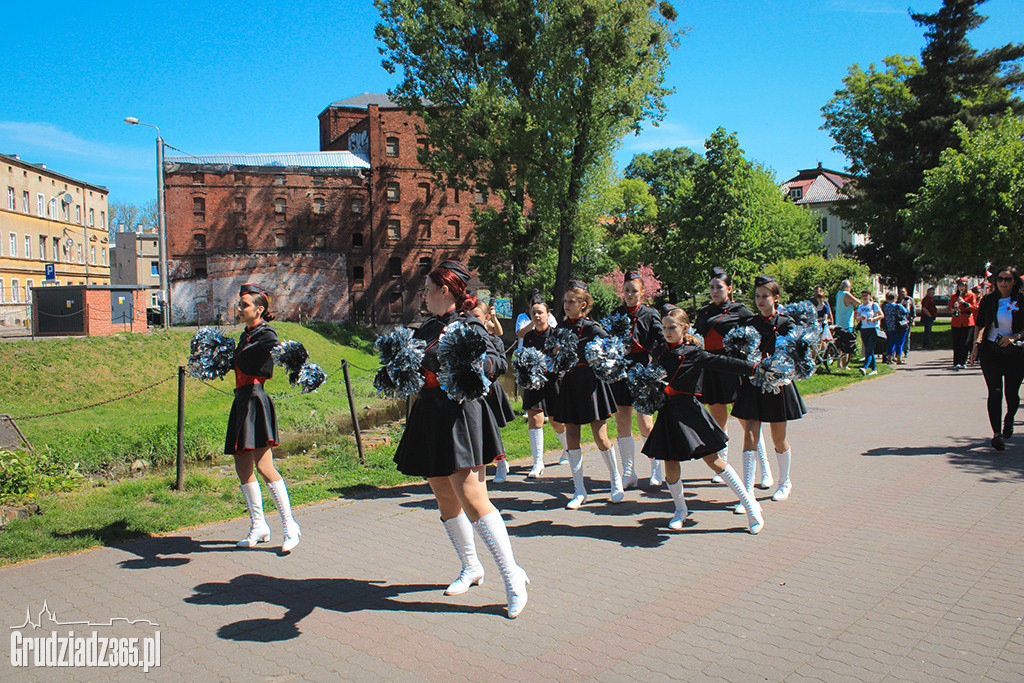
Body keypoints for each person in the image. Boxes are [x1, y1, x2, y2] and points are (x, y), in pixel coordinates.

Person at [392, 261, 528, 618]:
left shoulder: (470, 324)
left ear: (446, 290)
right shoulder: (426, 328)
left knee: (472, 496)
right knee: (443, 495)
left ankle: (512, 577)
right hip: (430, 414)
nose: (422, 294)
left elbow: (498, 359)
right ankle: (471, 566)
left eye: (427, 288)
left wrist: (474, 368)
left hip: (460, 414)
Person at [643, 305, 763, 533]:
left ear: (684, 328)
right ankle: (680, 510)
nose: (667, 332)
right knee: (670, 467)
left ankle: (750, 506)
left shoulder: (694, 352)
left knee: (714, 460)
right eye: (665, 327)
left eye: (672, 327)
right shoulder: (658, 352)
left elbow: (724, 363)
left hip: (690, 413)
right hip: (668, 414)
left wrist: (754, 368)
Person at [228, 283, 301, 553]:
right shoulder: (246, 335)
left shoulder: (266, 334)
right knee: (242, 466)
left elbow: (273, 346)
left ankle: (289, 525)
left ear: (259, 309)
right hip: (241, 400)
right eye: (240, 304)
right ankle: (258, 525)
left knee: (264, 466)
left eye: (244, 305)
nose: (239, 308)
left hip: (256, 400)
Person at [732, 275, 807, 506]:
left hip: (778, 387)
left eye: (765, 296)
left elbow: (797, 357)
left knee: (778, 438)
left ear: (776, 298)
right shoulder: (750, 324)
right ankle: (748, 494)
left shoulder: (786, 324)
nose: (760, 300)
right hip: (754, 385)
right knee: (750, 435)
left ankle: (785, 481)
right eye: (757, 296)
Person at [547, 280, 623, 509]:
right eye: (565, 301)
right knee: (572, 437)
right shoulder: (560, 328)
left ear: (584, 304)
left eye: (572, 302)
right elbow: (552, 353)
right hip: (569, 384)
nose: (567, 305)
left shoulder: (592, 328)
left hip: (590, 385)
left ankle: (616, 481)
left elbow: (613, 350)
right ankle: (579, 490)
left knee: (600, 437)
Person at [694, 268, 772, 490]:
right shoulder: (704, 312)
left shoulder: (740, 311)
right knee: (718, 419)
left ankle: (765, 469)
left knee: (748, 422)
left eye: (719, 287)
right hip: (711, 369)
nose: (714, 291)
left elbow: (760, 332)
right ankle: (723, 465)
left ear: (729, 289)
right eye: (711, 287)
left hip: (734, 369)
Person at [609, 271, 663, 490]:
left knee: (645, 423)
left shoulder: (650, 314)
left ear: (642, 292)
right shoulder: (616, 313)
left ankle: (656, 468)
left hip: (643, 369)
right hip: (621, 371)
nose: (630, 295)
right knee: (622, 422)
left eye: (634, 291)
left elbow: (660, 340)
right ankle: (629, 472)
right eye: (627, 290)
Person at [970, 266, 1024, 451]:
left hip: (1016, 353)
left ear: (1015, 281)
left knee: (1012, 394)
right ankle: (997, 434)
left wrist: (1014, 337)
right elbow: (980, 324)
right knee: (995, 391)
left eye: (1007, 279)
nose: (1003, 282)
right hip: (991, 351)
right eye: (1000, 279)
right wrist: (976, 346)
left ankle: (1009, 419)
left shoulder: (1021, 300)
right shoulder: (989, 300)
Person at [516, 295, 567, 478]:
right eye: (534, 313)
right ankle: (538, 463)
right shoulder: (529, 336)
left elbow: (564, 360)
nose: (537, 316)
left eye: (540, 312)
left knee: (556, 422)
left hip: (553, 382)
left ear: (547, 314)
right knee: (535, 418)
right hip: (533, 383)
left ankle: (568, 448)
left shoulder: (556, 334)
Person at [470, 298, 516, 483]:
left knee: (491, 427)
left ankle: (501, 465)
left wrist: (486, 368)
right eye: (468, 317)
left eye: (476, 317)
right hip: (471, 389)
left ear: (486, 318)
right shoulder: (462, 338)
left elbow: (503, 365)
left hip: (490, 388)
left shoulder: (493, 339)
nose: (471, 322)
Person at [951, 278, 978, 370]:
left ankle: (963, 361)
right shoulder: (954, 296)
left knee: (965, 342)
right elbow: (950, 308)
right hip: (957, 321)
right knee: (956, 342)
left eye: (963, 286)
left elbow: (974, 308)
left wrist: (964, 303)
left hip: (967, 321)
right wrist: (954, 307)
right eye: (960, 286)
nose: (961, 288)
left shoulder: (971, 295)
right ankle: (956, 361)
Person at [834, 281, 861, 370]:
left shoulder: (839, 294)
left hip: (839, 321)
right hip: (847, 322)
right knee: (846, 344)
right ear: (848, 287)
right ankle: (844, 364)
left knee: (839, 344)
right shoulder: (846, 294)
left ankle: (839, 364)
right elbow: (858, 302)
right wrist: (852, 302)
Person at [856, 290, 883, 376]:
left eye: (866, 295)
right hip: (864, 329)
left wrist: (873, 319)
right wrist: (861, 317)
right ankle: (874, 369)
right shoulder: (860, 306)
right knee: (869, 350)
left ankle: (865, 367)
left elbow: (881, 315)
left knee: (869, 349)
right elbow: (857, 317)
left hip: (873, 328)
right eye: (863, 295)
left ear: (870, 296)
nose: (864, 297)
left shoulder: (873, 305)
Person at [881, 292, 909, 365]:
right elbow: (906, 312)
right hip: (899, 327)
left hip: (890, 326)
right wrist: (907, 305)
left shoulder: (885, 307)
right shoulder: (898, 306)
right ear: (895, 298)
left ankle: (889, 358)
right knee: (899, 342)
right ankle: (899, 358)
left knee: (891, 342)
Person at [899, 288, 915, 358]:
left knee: (907, 336)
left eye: (903, 292)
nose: (902, 294)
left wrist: (913, 320)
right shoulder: (898, 300)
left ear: (906, 292)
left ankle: (906, 351)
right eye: (901, 292)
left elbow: (913, 310)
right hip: (899, 321)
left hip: (907, 320)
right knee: (899, 336)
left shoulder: (909, 300)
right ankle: (899, 351)